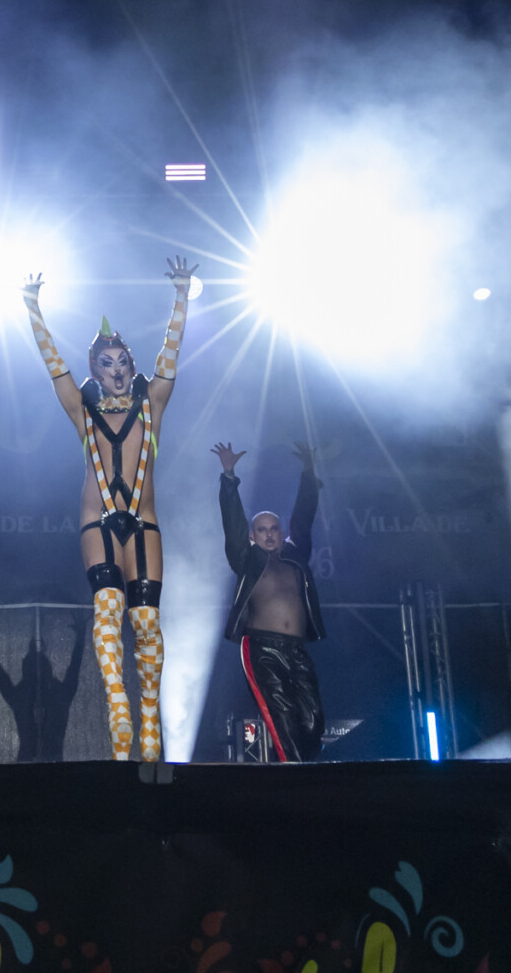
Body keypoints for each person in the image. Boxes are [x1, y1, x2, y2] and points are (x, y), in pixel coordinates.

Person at [21, 258, 195, 761]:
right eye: (106, 363)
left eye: (122, 362)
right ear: (96, 370)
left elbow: (170, 355)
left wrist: (180, 298)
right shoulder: (83, 411)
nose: (116, 370)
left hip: (144, 523)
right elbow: (54, 366)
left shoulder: (152, 404)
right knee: (108, 609)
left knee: (146, 622)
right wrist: (32, 308)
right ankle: (118, 703)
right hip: (97, 522)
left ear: (130, 367)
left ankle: (149, 720)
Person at [212, 440, 327, 762]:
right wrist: (229, 477)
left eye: (274, 528)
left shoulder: (295, 556)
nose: (269, 534)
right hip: (262, 650)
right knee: (282, 722)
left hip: (297, 649)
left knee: (313, 721)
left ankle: (306, 771)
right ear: (253, 535)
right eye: (262, 530)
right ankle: (295, 780)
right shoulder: (246, 559)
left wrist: (308, 473)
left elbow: (304, 516)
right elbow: (233, 524)